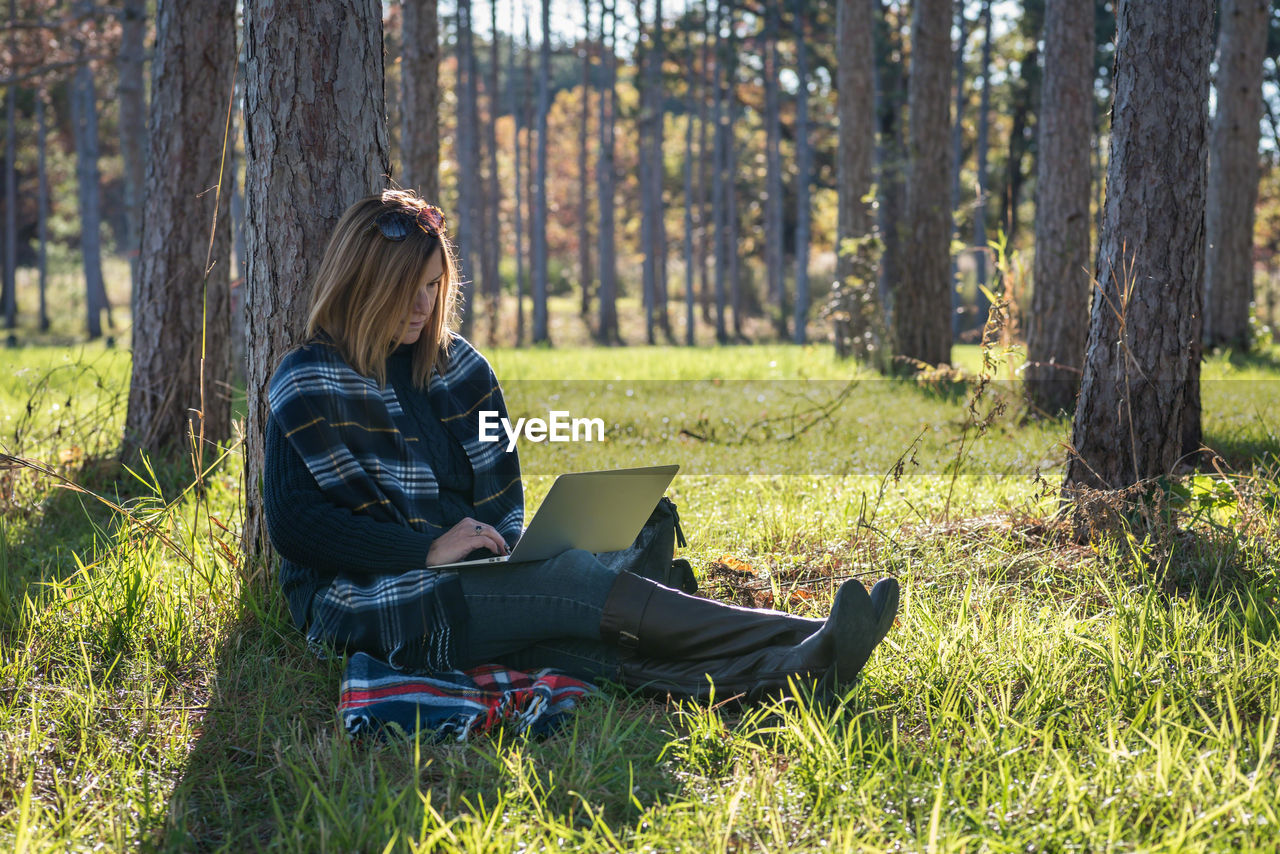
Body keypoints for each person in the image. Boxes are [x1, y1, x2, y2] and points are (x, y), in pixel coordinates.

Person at [263, 189, 898, 702]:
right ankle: (810, 636)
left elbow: (502, 492)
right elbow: (298, 528)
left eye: (434, 286)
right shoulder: (310, 380)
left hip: (477, 578)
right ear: (365, 284)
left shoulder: (461, 372)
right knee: (570, 580)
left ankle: (797, 672)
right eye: (410, 289)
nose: (424, 305)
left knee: (602, 604)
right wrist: (426, 549)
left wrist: (507, 544)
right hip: (374, 601)